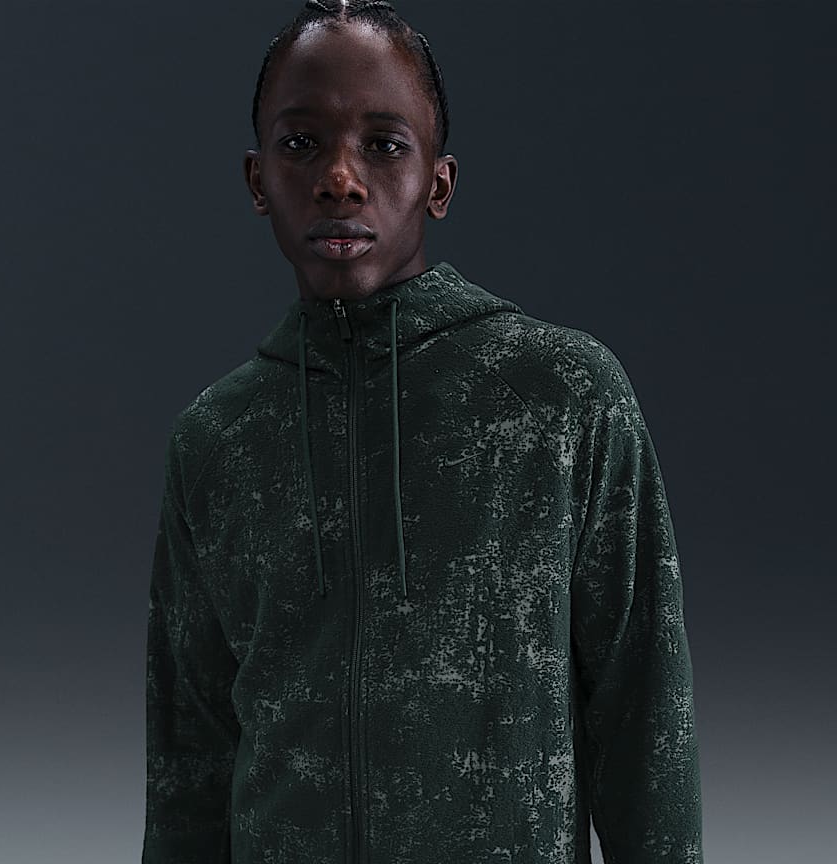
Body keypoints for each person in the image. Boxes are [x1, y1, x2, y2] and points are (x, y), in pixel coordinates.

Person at [141, 1, 704, 862]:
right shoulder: (218, 439)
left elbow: (644, 714)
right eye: (301, 143)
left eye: (383, 144)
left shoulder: (560, 396)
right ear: (257, 180)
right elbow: (191, 760)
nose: (340, 178)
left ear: (438, 184)